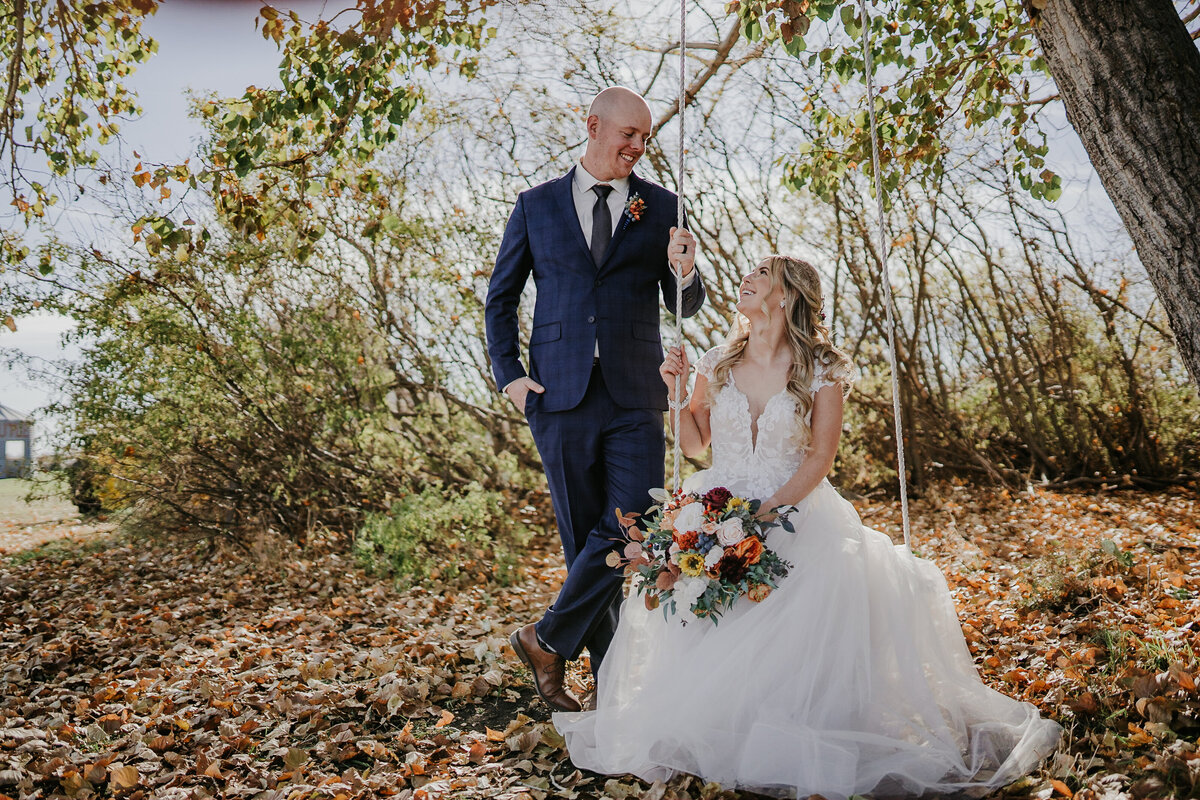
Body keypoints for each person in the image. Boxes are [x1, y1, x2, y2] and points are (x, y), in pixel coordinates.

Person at [553, 255, 1061, 798]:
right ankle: (718, 729)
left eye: (761, 275)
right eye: (749, 274)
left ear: (787, 295)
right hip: (717, 503)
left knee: (798, 603)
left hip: (794, 509)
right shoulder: (716, 360)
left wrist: (766, 513)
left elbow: (820, 457)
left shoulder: (820, 367)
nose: (745, 280)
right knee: (710, 612)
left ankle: (783, 732)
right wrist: (677, 394)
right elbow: (695, 444)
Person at [485, 86, 706, 712]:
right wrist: (510, 375)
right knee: (586, 538)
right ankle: (605, 691)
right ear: (593, 126)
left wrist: (685, 271)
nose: (638, 148)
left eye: (645, 139)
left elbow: (683, 305)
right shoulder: (536, 206)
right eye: (628, 136)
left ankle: (545, 638)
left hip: (637, 393)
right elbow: (501, 298)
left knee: (631, 523)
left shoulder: (663, 206)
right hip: (557, 394)